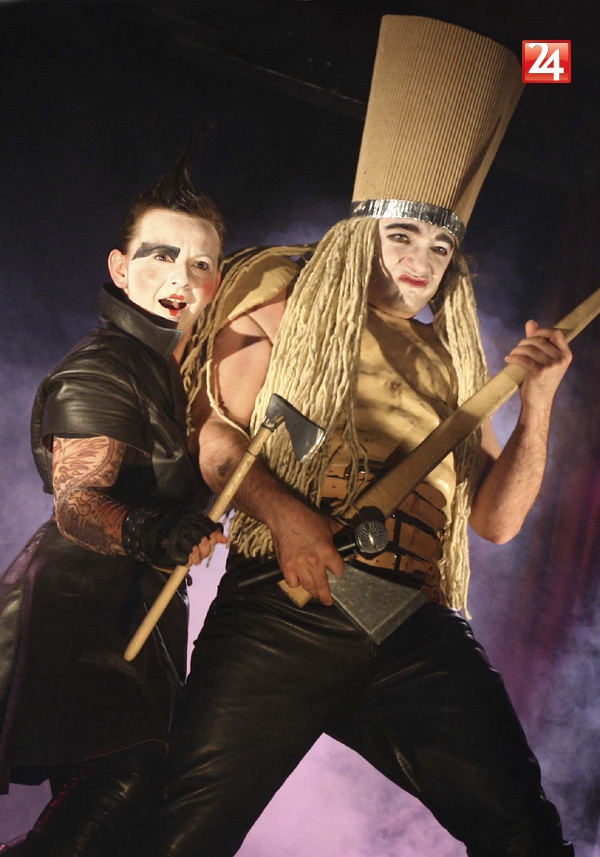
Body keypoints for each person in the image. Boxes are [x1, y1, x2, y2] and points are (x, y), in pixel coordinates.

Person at [151, 17, 574, 857]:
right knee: (179, 838)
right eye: (403, 234)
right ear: (361, 231)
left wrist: (539, 404)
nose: (422, 258)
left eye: (441, 243)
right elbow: (220, 442)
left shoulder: (454, 362)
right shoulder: (282, 301)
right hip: (286, 607)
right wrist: (290, 518)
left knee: (525, 833)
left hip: (407, 622)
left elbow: (495, 521)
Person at [0, 142, 227, 856]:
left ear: (217, 281)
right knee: (125, 783)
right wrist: (159, 534)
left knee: (124, 808)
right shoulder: (105, 367)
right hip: (81, 608)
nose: (180, 277)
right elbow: (77, 505)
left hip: (137, 605)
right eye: (161, 256)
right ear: (120, 268)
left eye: (200, 263)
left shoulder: (170, 371)